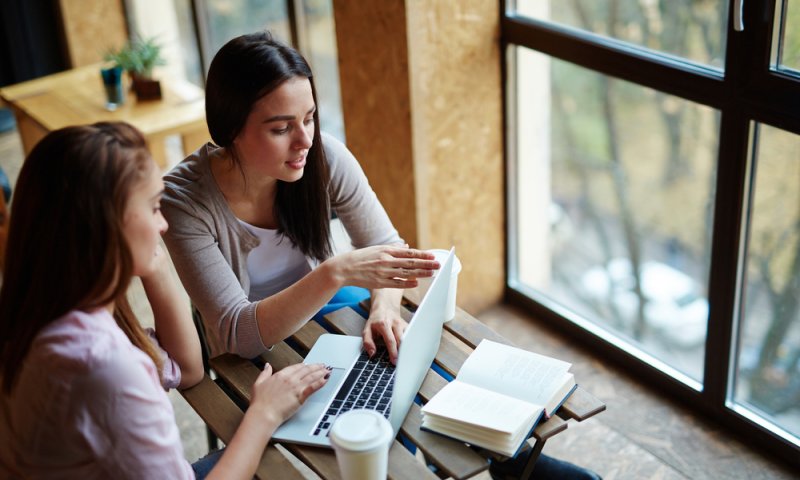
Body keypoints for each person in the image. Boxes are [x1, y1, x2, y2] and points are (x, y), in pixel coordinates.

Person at [0, 122, 329, 479]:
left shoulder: (44, 312)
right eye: (155, 207)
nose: (163, 225)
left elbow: (187, 369)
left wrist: (151, 264)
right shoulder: (104, 365)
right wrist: (264, 413)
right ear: (108, 224)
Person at [162, 31, 438, 365]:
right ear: (230, 128)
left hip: (326, 308)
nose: (305, 140)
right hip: (253, 348)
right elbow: (238, 334)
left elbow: (387, 245)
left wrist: (384, 308)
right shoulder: (182, 201)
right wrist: (334, 272)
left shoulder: (324, 155)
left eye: (309, 118)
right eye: (281, 129)